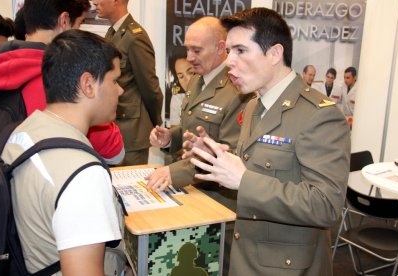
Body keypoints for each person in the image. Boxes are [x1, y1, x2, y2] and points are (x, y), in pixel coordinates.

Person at [187, 8, 351, 275]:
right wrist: (218, 160)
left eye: (240, 50)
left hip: (288, 266)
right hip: (247, 255)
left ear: (275, 53)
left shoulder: (320, 115)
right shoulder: (253, 106)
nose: (229, 61)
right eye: (229, 51)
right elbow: (260, 168)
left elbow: (326, 205)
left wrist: (243, 180)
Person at [1, 29, 123, 275]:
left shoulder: (22, 133)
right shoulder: (83, 175)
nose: (120, 91)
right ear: (88, 85)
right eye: (115, 80)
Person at [147, 16, 252, 276]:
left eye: (197, 50)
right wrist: (170, 137)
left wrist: (175, 173)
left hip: (218, 200)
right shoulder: (197, 80)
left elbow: (227, 152)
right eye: (187, 49)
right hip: (192, 193)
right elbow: (192, 131)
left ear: (220, 48)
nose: (189, 57)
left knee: (216, 264)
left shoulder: (236, 89)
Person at [0, 0, 124, 165]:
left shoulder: (0, 65)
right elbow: (114, 151)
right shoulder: (60, 77)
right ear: (64, 21)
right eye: (80, 23)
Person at [93, 0, 163, 165]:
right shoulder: (112, 33)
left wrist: (155, 124)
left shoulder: (135, 37)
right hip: (114, 127)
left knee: (130, 187)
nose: (94, 2)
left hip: (132, 133)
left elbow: (150, 88)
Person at [169, 56, 194, 127]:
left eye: (191, 72)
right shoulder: (177, 99)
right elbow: (175, 131)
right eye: (181, 77)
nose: (188, 80)